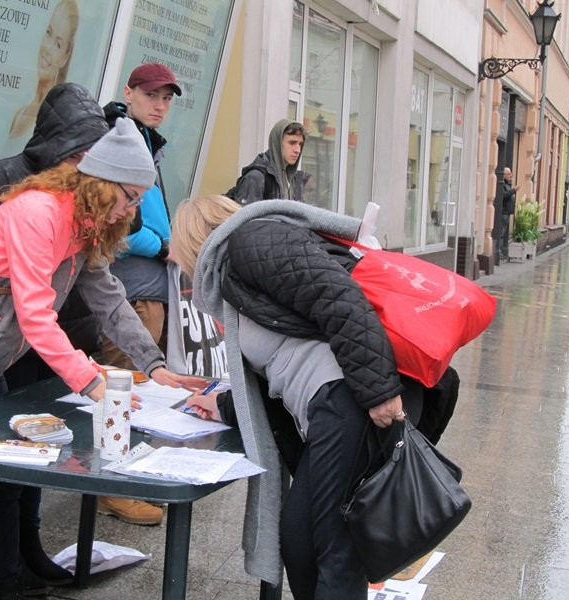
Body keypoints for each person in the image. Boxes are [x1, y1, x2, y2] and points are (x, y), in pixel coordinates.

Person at [0, 118, 202, 600]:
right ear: (101, 184)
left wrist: (155, 366)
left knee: (7, 475)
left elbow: (111, 300)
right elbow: (36, 315)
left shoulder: (85, 226)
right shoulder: (38, 213)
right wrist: (93, 382)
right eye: (129, 195)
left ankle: (11, 581)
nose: (133, 208)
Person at [169, 196, 421, 599]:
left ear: (191, 240)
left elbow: (340, 299)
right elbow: (276, 371)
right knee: (304, 538)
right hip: (338, 401)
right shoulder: (235, 270)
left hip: (350, 398)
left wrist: (379, 391)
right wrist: (222, 405)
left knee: (327, 547)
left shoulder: (250, 242)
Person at [0, 82, 111, 594]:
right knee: (2, 458)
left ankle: (27, 549)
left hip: (66, 337)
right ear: (55, 140)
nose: (87, 159)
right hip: (8, 338)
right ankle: (1, 564)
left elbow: (110, 251)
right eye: (81, 150)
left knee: (45, 453)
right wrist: (26, 258)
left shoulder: (94, 184)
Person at [93, 63, 182, 526]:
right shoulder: (120, 138)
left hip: (150, 287)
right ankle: (112, 489)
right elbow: (119, 224)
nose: (160, 105)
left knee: (139, 393)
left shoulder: (147, 141)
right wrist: (163, 245)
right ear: (128, 92)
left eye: (167, 98)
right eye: (152, 95)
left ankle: (127, 477)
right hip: (129, 292)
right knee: (122, 389)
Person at [9, 0, 79, 139]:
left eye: (58, 44)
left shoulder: (55, 122)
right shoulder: (21, 112)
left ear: (65, 57)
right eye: (48, 32)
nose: (48, 48)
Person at [227, 119, 310, 204]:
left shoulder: (294, 180)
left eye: (300, 144)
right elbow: (247, 215)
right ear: (277, 143)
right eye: (292, 143)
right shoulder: (256, 178)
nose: (298, 150)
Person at [501, 167, 519, 257]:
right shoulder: (502, 184)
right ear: (503, 175)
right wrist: (513, 190)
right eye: (508, 174)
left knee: (503, 232)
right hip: (503, 212)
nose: (510, 175)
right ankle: (500, 251)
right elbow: (504, 195)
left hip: (507, 212)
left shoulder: (507, 184)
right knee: (501, 232)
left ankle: (501, 251)